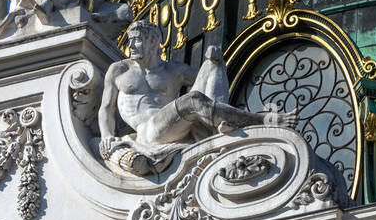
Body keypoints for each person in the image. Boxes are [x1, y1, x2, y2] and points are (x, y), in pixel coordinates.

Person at [97, 21, 297, 176]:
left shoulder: (174, 70)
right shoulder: (119, 70)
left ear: (152, 42)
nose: (130, 45)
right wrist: (106, 136)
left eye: (137, 40)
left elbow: (206, 78)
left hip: (173, 125)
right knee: (192, 100)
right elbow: (106, 109)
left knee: (212, 64)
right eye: (130, 41)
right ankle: (262, 120)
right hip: (148, 132)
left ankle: (217, 128)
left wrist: (215, 60)